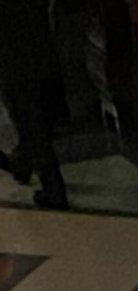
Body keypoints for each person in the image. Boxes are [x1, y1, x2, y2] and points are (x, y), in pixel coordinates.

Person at [0, 0, 67, 211]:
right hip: (43, 53)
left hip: (13, 60)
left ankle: (53, 188)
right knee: (39, 116)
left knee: (28, 121)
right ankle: (24, 162)